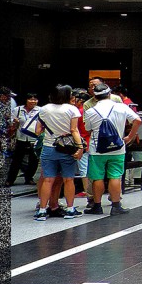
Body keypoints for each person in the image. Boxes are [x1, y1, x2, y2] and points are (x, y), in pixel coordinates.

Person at [83, 83, 141, 215]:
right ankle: (116, 206)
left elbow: (88, 128)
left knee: (97, 177)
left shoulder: (91, 110)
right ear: (109, 94)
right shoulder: (121, 107)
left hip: (97, 149)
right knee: (115, 176)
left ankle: (97, 206)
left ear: (95, 97)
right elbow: (137, 120)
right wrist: (129, 136)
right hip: (118, 147)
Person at [34, 84, 84, 220]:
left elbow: (37, 131)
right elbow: (74, 130)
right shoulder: (71, 109)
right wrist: (80, 147)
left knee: (48, 179)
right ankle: (70, 209)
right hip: (66, 148)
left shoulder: (44, 109)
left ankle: (42, 210)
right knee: (68, 179)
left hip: (48, 147)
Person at [7, 92, 40, 186]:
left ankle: (29, 178)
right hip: (21, 138)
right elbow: (12, 125)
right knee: (16, 160)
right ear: (25, 100)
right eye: (30, 99)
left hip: (34, 139)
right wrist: (15, 123)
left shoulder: (40, 110)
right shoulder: (18, 110)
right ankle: (10, 179)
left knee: (34, 160)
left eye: (35, 99)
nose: (33, 101)